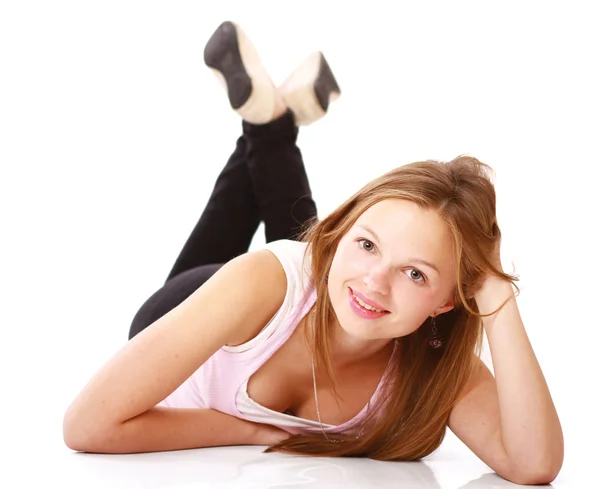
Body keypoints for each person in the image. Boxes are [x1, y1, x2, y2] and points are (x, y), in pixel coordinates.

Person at [63, 21, 563, 485]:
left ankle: (269, 127)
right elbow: (86, 427)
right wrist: (247, 431)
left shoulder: (435, 365)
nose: (376, 282)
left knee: (322, 268)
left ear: (447, 302)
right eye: (366, 244)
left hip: (310, 284)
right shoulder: (263, 279)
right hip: (190, 307)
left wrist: (497, 293)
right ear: (338, 231)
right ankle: (270, 130)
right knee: (294, 265)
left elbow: (533, 465)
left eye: (415, 274)